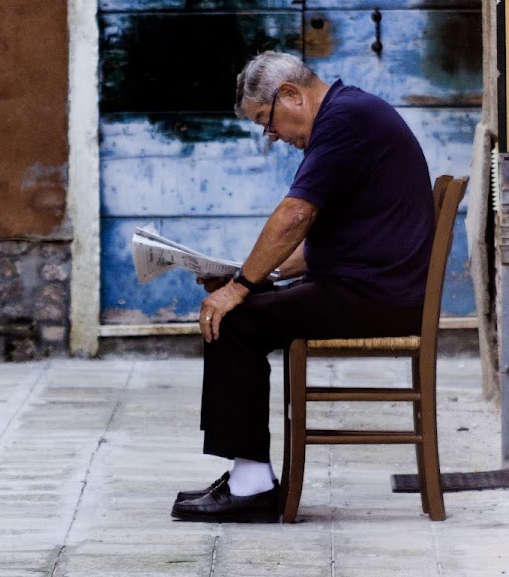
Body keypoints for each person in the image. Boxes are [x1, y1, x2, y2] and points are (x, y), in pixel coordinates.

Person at [171, 51, 434, 524]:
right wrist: (245, 278)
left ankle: (252, 485)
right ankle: (245, 474)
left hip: (378, 296)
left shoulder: (344, 121)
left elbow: (296, 215)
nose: (271, 137)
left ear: (290, 95)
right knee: (242, 305)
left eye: (266, 123)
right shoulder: (349, 115)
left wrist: (240, 288)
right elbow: (319, 246)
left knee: (236, 319)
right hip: (368, 286)